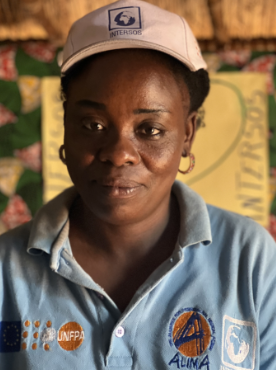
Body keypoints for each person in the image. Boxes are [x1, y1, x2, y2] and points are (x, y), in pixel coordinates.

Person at [0, 0, 275, 369]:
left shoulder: (249, 259)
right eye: (92, 125)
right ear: (65, 125)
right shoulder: (6, 269)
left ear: (188, 135)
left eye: (150, 130)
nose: (118, 154)